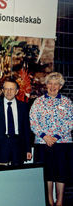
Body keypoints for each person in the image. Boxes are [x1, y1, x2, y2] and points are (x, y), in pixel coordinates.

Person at [30, 72, 72, 206]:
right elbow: (33, 121)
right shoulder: (38, 102)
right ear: (46, 85)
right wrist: (44, 136)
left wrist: (56, 137)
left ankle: (59, 202)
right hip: (43, 143)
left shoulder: (67, 102)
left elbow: (69, 122)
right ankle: (49, 201)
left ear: (60, 86)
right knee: (46, 174)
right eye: (50, 83)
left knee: (61, 173)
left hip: (62, 143)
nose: (53, 86)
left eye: (56, 84)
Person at [0, 77, 32, 165]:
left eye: (11, 89)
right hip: (1, 145)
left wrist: (28, 149)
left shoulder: (23, 107)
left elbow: (26, 129)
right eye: (6, 89)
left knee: (18, 174)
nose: (9, 92)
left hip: (18, 145)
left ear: (17, 91)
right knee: (1, 174)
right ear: (2, 90)